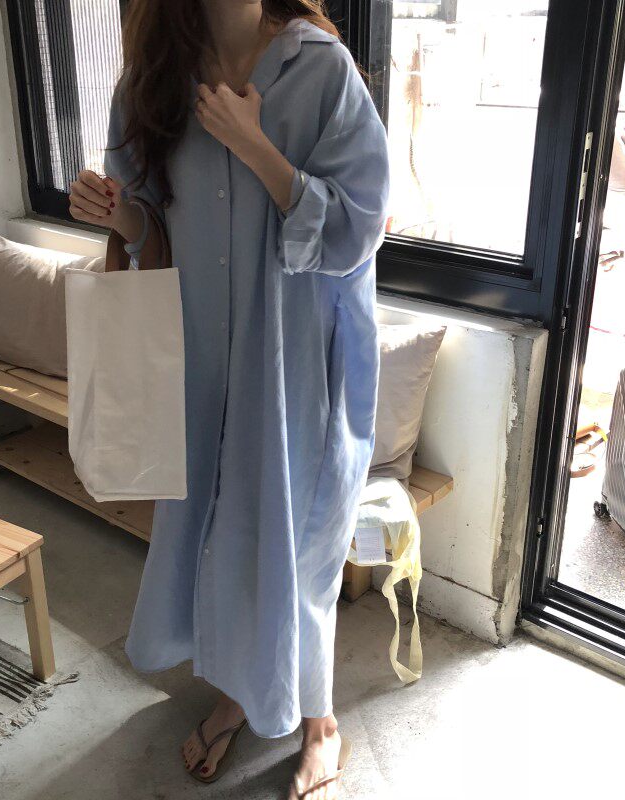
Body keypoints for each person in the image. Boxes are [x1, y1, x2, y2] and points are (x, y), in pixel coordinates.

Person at [68, 1, 389, 796]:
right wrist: (117, 213)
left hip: (298, 362)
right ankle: (240, 692)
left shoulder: (320, 70)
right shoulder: (153, 78)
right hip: (201, 357)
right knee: (221, 529)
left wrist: (257, 148)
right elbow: (150, 222)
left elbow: (359, 229)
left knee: (301, 544)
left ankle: (319, 719)